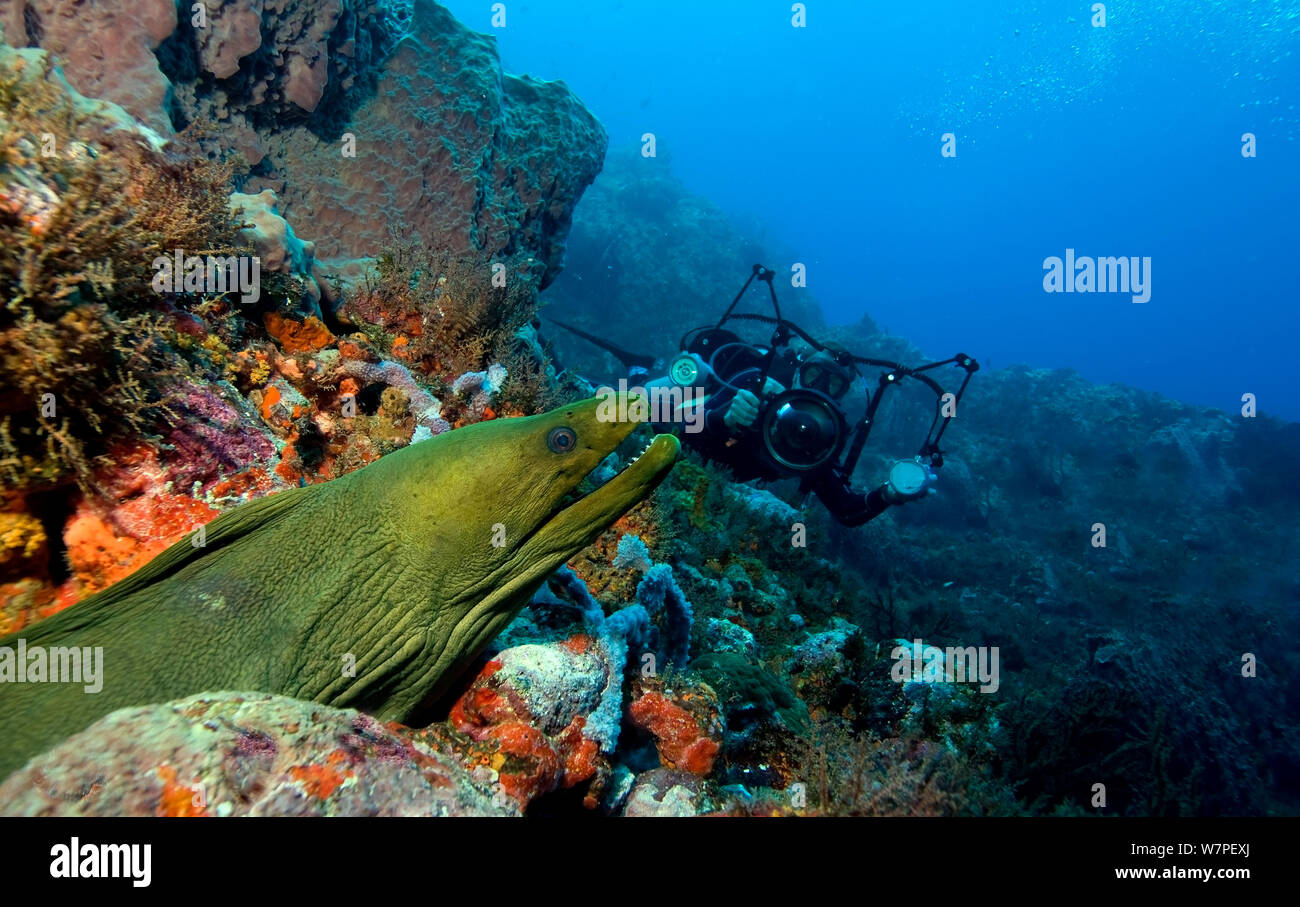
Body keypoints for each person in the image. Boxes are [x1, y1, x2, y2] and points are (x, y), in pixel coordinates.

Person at [676, 343, 935, 527]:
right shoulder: (757, 384)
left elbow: (846, 510)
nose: (820, 386)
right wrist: (725, 417)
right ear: (799, 372)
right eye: (814, 374)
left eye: (834, 383)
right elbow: (681, 428)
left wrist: (891, 493)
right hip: (678, 460)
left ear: (841, 394)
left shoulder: (817, 442)